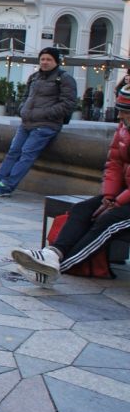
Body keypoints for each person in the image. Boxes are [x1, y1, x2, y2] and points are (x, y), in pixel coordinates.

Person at [11, 85, 130, 284]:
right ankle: (52, 254)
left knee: (106, 222)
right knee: (82, 210)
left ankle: (56, 268)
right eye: (120, 111)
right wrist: (109, 196)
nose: (120, 117)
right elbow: (114, 163)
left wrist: (116, 203)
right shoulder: (124, 128)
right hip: (122, 195)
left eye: (125, 112)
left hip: (125, 199)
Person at [0, 47, 78, 196]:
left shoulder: (64, 78)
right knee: (12, 152)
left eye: (49, 59)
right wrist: (22, 109)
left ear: (56, 61)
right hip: (27, 123)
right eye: (42, 59)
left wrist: (44, 114)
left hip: (46, 125)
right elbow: (26, 96)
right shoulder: (34, 77)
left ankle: (6, 186)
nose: (45, 62)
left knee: (27, 154)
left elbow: (68, 103)